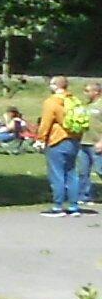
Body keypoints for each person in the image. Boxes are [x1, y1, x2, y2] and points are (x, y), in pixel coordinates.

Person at [42, 77, 94, 216]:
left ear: (55, 86)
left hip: (57, 139)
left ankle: (58, 206)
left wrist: (41, 139)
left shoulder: (51, 102)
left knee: (57, 173)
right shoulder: (74, 100)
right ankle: (73, 206)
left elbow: (46, 123)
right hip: (74, 139)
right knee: (71, 172)